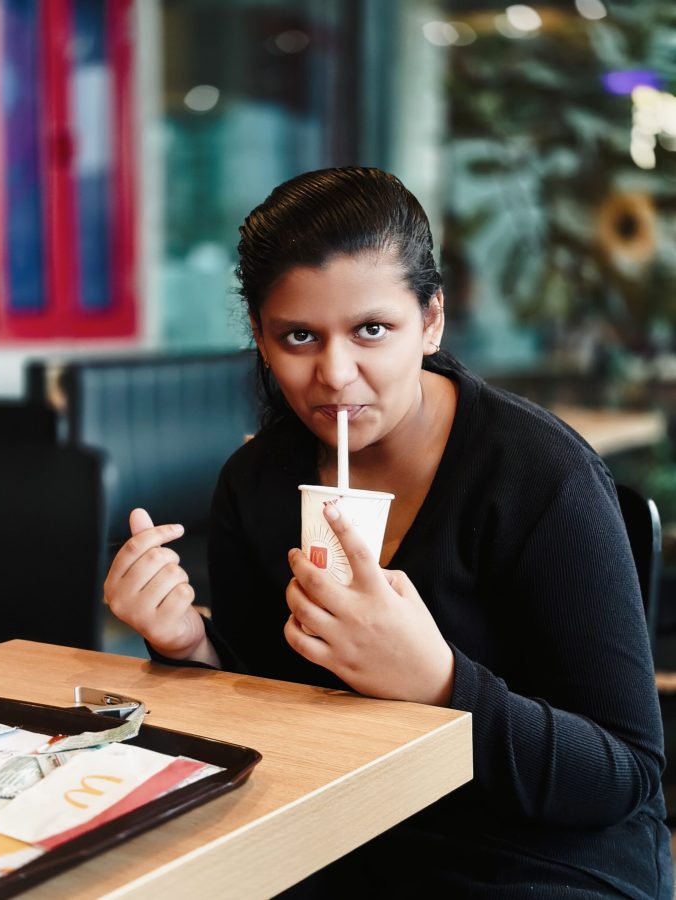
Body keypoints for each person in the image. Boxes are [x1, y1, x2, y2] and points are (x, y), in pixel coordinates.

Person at [104, 166, 673, 897]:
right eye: (299, 337)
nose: (336, 375)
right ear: (260, 337)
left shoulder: (539, 477)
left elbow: (624, 774)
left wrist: (438, 684)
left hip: (534, 857)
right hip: (339, 835)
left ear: (431, 320)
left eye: (372, 329)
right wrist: (190, 644)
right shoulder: (258, 483)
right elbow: (268, 716)